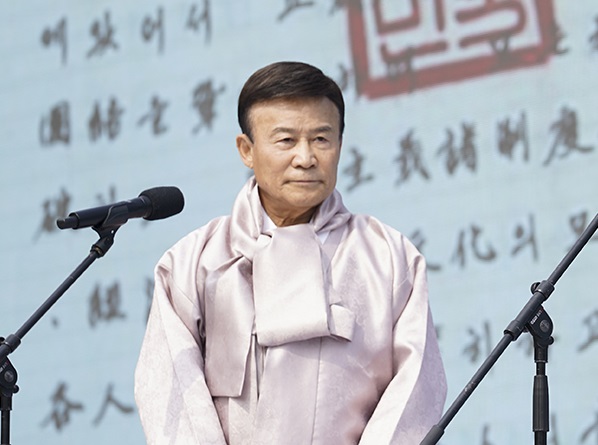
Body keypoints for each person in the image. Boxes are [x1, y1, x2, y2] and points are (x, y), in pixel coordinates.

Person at [134, 61, 447, 444]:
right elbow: (171, 391)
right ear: (246, 150)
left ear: (340, 144)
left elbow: (415, 391)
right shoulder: (194, 262)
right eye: (286, 140)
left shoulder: (388, 256)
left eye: (321, 139)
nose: (306, 157)